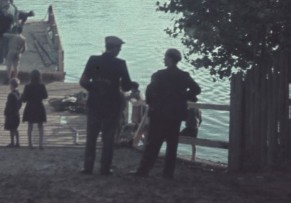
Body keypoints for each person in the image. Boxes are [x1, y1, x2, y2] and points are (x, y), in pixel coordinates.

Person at [133, 48, 201, 179]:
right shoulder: (184, 75)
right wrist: (183, 96)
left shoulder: (158, 75)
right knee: (172, 145)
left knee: (152, 144)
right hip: (175, 115)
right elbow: (196, 89)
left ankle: (144, 170)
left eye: (165, 57)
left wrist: (152, 103)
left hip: (159, 113)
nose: (164, 59)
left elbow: (149, 93)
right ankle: (168, 173)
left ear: (169, 59)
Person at [79, 36, 137, 175]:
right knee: (108, 138)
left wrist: (95, 88)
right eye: (120, 48)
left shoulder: (93, 60)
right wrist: (133, 85)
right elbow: (126, 86)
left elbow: (83, 81)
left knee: (91, 137)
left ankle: (88, 167)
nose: (120, 50)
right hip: (112, 105)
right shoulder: (120, 64)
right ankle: (105, 168)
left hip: (94, 103)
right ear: (115, 49)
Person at [21, 69, 48, 149]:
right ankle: (40, 144)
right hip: (39, 106)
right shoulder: (42, 86)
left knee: (30, 125)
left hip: (30, 107)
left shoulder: (27, 86)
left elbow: (24, 99)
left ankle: (30, 144)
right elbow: (45, 96)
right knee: (40, 126)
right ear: (39, 77)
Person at [4, 78, 22, 147]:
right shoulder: (18, 93)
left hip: (11, 114)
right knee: (15, 129)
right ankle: (17, 142)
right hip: (16, 113)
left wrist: (6, 113)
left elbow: (8, 105)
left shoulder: (11, 95)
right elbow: (20, 104)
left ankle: (12, 142)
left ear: (11, 85)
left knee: (11, 129)